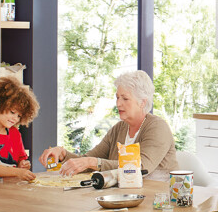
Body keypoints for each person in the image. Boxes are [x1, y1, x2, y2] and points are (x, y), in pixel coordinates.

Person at [40, 70, 178, 180]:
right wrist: (63, 154)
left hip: (157, 200)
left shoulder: (157, 127)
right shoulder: (119, 128)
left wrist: (93, 162)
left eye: (125, 98)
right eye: (117, 97)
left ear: (142, 102)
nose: (118, 103)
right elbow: (87, 162)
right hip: (125, 196)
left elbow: (140, 168)